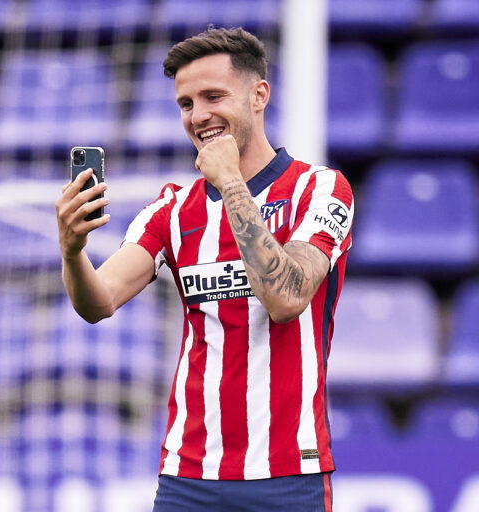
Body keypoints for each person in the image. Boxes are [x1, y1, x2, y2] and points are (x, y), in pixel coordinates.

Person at [55, 26, 353, 512]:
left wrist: (231, 181)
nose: (199, 116)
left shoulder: (319, 190)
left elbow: (286, 299)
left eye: (214, 96)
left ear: (259, 96)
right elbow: (98, 302)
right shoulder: (172, 210)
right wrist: (71, 252)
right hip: (188, 477)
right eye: (186, 103)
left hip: (287, 473)